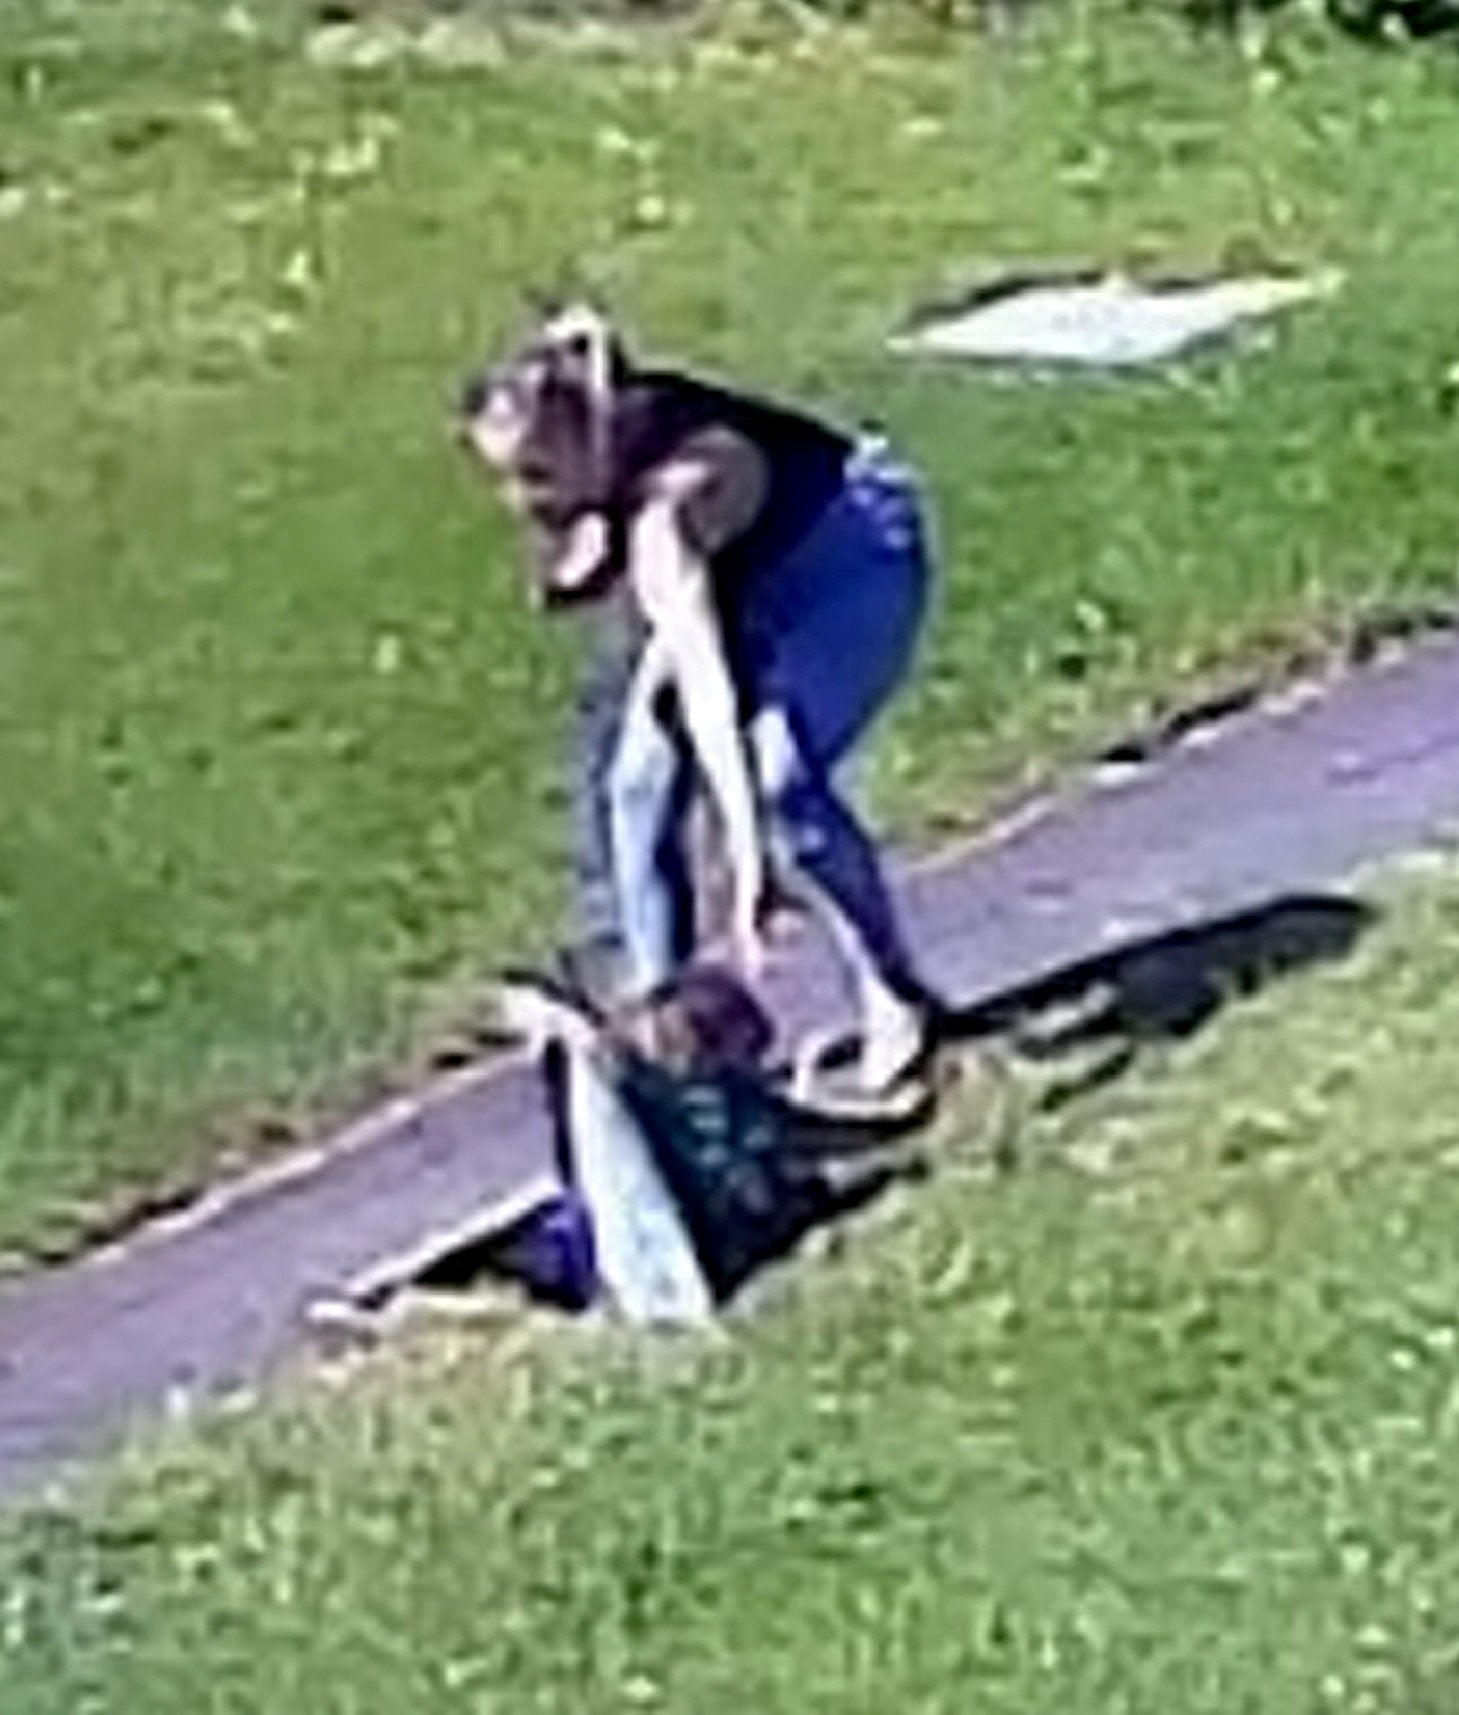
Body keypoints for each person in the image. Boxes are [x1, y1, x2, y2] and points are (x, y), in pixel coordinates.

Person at [458, 301, 939, 1097]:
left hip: (852, 550)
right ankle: (672, 1046)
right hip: (743, 576)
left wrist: (748, 858)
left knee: (782, 781)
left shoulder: (667, 517)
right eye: (505, 478)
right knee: (638, 786)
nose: (522, 501)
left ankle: (894, 996)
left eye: (536, 473)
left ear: (582, 438)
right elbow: (586, 338)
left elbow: (708, 693)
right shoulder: (598, 411)